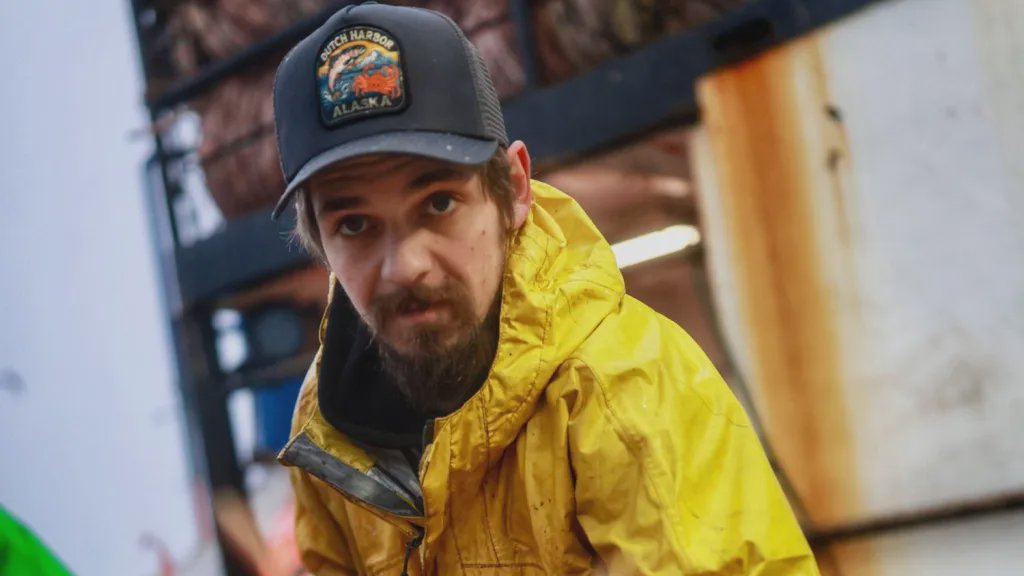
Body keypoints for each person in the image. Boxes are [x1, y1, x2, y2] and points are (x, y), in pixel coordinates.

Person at [270, 3, 819, 574]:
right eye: (354, 224)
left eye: (439, 202)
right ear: (321, 246)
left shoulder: (622, 384)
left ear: (514, 189)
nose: (405, 267)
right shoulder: (326, 424)